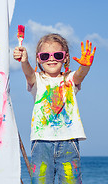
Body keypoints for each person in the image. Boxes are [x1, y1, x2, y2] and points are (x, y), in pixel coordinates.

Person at [13, 33, 96, 183]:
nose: (51, 58)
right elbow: (28, 72)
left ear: (65, 57)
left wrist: (85, 66)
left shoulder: (70, 79)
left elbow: (80, 75)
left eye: (57, 55)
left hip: (69, 143)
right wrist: (24, 61)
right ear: (38, 59)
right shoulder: (37, 79)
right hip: (41, 143)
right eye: (45, 56)